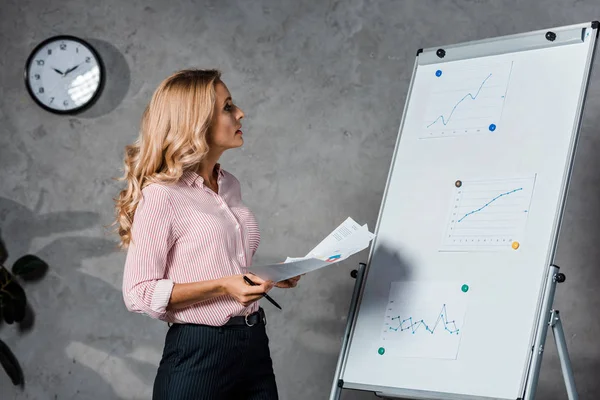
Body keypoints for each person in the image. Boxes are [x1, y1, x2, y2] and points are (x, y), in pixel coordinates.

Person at [113, 69, 301, 400]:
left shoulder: (229, 184)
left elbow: (214, 262)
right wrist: (222, 286)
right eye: (227, 107)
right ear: (196, 122)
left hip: (253, 344)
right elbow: (137, 293)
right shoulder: (162, 195)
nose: (240, 113)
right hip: (199, 352)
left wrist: (267, 274)